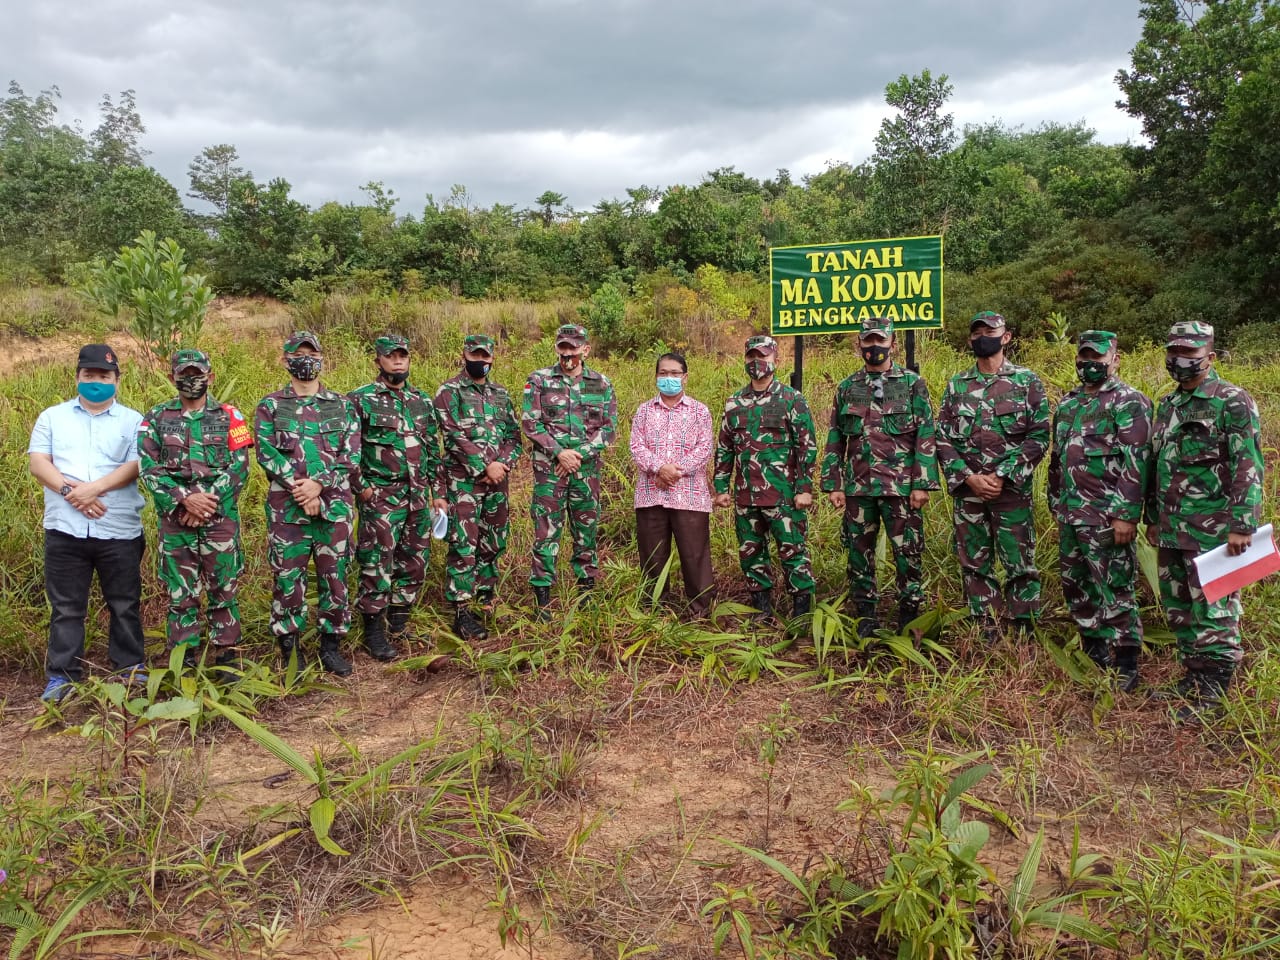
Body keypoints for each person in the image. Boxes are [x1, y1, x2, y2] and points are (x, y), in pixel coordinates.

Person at [1144, 320, 1263, 720]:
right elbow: (1158, 464)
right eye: (1174, 353)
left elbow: (1248, 463)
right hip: (1172, 527)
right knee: (1179, 608)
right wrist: (1153, 518)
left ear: (1210, 358)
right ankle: (1193, 678)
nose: (1180, 362)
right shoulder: (1170, 405)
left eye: (1191, 355)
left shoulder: (1231, 401)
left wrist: (1242, 523)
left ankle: (1213, 694)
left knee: (1214, 610)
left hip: (1214, 530)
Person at [27, 344, 147, 702]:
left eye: (104, 376)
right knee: (66, 607)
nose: (97, 382)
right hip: (66, 528)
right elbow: (38, 462)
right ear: (78, 377)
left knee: (124, 602)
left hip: (118, 529)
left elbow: (137, 463)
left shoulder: (134, 420)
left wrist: (93, 489)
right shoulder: (52, 417)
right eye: (90, 375)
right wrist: (69, 491)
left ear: (117, 380)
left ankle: (129, 668)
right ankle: (62, 676)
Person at [935, 311, 1050, 641]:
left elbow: (1039, 435)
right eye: (977, 332)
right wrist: (968, 477)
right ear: (970, 339)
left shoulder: (1027, 382)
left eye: (990, 331)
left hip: (1010, 490)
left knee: (1019, 560)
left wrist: (1002, 475)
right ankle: (985, 623)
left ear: (1006, 336)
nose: (983, 336)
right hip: (969, 491)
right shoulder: (957, 385)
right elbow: (942, 438)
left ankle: (1024, 626)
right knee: (974, 560)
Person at [821, 317, 940, 636]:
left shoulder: (912, 383)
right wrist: (834, 484)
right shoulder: (847, 387)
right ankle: (866, 617)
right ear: (859, 344)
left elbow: (926, 433)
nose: (875, 346)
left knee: (908, 553)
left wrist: (922, 483)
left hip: (901, 488)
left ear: (893, 344)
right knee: (859, 555)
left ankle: (909, 616)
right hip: (859, 488)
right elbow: (836, 436)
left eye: (880, 340)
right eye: (868, 340)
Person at [1047, 331, 1151, 690]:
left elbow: (1136, 463)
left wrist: (1126, 514)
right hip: (1071, 514)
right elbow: (1057, 459)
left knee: (1115, 588)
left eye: (1097, 358)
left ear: (1114, 359)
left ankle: (1125, 664)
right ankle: (1095, 654)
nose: (1089, 364)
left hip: (1107, 517)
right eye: (1083, 357)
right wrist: (1054, 501)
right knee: (1076, 586)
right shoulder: (1068, 404)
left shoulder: (1128, 402)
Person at [138, 349, 253, 670]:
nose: (191, 380)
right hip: (177, 521)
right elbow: (149, 467)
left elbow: (240, 468)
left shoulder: (232, 416)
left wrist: (206, 504)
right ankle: (184, 657)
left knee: (224, 587)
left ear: (210, 377)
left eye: (197, 374)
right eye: (184, 374)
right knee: (180, 592)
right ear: (173, 377)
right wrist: (183, 500)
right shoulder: (156, 418)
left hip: (219, 520)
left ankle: (226, 656)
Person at [255, 331, 360, 675]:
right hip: (287, 509)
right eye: (298, 354)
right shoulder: (270, 406)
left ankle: (331, 646)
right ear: (284, 360)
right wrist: (301, 489)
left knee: (335, 576)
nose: (306, 360)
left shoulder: (341, 405)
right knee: (288, 578)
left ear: (321, 358)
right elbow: (266, 453)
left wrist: (319, 484)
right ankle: (291, 649)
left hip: (334, 507)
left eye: (311, 353)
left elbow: (351, 454)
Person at [349, 335, 445, 660]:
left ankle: (399, 624)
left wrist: (438, 494)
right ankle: (374, 633)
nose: (398, 361)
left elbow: (433, 448)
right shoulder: (360, 400)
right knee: (377, 563)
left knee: (414, 561)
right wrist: (362, 488)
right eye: (391, 356)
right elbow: (347, 452)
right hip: (381, 497)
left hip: (418, 496)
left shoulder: (421, 401)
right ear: (378, 360)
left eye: (403, 356)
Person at [713, 335, 817, 627]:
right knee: (751, 554)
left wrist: (804, 488)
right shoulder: (735, 402)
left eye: (763, 355)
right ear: (745, 359)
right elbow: (725, 448)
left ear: (776, 359)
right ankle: (762, 610)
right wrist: (721, 488)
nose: (757, 362)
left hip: (784, 496)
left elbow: (806, 446)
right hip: (746, 497)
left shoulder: (791, 399)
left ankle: (802, 615)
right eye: (751, 356)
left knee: (793, 552)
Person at [521, 324, 617, 620]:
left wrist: (579, 456)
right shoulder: (539, 380)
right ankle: (542, 602)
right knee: (546, 534)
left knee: (585, 534)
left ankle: (586, 596)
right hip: (550, 473)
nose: (567, 355)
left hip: (586, 474)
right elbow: (530, 423)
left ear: (586, 350)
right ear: (556, 348)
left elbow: (609, 428)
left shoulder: (600, 384)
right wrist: (559, 452)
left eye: (573, 350)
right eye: (563, 349)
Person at [434, 334, 523, 639]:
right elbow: (452, 436)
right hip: (464, 483)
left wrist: (502, 466)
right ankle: (461, 608)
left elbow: (514, 437)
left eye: (485, 356)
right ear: (465, 355)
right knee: (464, 544)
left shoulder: (500, 393)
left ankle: (486, 599)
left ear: (492, 359)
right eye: (475, 355)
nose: (480, 361)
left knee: (494, 541)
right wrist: (484, 466)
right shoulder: (449, 392)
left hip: (498, 483)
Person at [629, 351, 715, 619]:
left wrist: (674, 472)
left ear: (685, 377)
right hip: (650, 495)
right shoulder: (644, 411)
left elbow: (705, 449)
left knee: (694, 556)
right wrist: (658, 468)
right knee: (653, 557)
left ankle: (700, 611)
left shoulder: (700, 411)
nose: (669, 378)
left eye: (674, 374)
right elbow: (636, 446)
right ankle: (654, 612)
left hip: (689, 496)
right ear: (656, 377)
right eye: (663, 373)